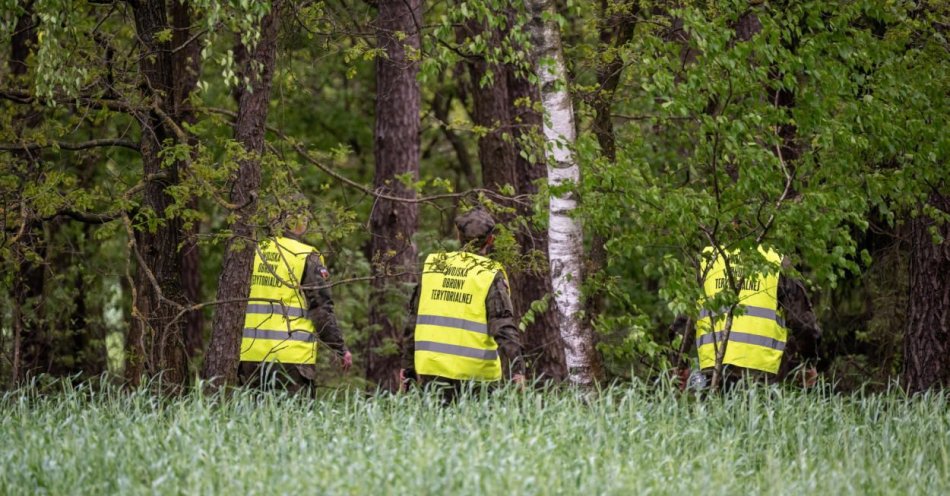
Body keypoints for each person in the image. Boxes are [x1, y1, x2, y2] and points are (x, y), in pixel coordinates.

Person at [400, 209, 525, 400]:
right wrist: (518, 369)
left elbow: (413, 320)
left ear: (458, 235)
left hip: (432, 370)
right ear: (490, 240)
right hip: (476, 374)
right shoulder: (488, 274)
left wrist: (407, 367)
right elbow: (502, 325)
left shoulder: (435, 265)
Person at [671, 245, 821, 389]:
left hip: (713, 370)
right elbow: (803, 324)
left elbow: (684, 320)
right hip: (761, 371)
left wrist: (679, 365)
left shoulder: (706, 259)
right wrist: (808, 365)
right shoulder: (776, 261)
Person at [239, 209, 352, 393]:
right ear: (293, 221)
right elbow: (321, 309)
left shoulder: (254, 250)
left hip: (250, 357)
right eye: (304, 216)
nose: (307, 221)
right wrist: (339, 348)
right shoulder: (304, 255)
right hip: (291, 358)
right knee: (292, 420)